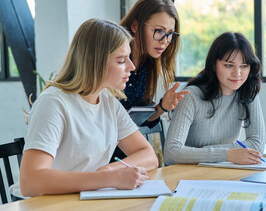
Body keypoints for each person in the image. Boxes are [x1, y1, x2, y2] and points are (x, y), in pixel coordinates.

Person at [10, 18, 158, 199]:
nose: (132, 67)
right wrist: (106, 178)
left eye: (129, 58)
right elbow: (30, 182)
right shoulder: (54, 103)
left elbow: (148, 155)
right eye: (121, 61)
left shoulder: (107, 101)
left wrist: (109, 170)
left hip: (81, 201)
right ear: (95, 62)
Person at [164, 32, 266, 166]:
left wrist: (206, 152)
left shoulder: (249, 92)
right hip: (188, 174)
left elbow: (257, 145)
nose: (237, 74)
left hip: (221, 172)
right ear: (213, 64)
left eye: (244, 66)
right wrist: (228, 155)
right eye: (229, 65)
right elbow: (171, 153)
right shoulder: (191, 96)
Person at [119, 0, 190, 125]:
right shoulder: (112, 59)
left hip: (123, 141)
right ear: (135, 26)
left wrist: (162, 107)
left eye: (169, 34)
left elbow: (141, 120)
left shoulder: (148, 63)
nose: (165, 41)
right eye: (158, 31)